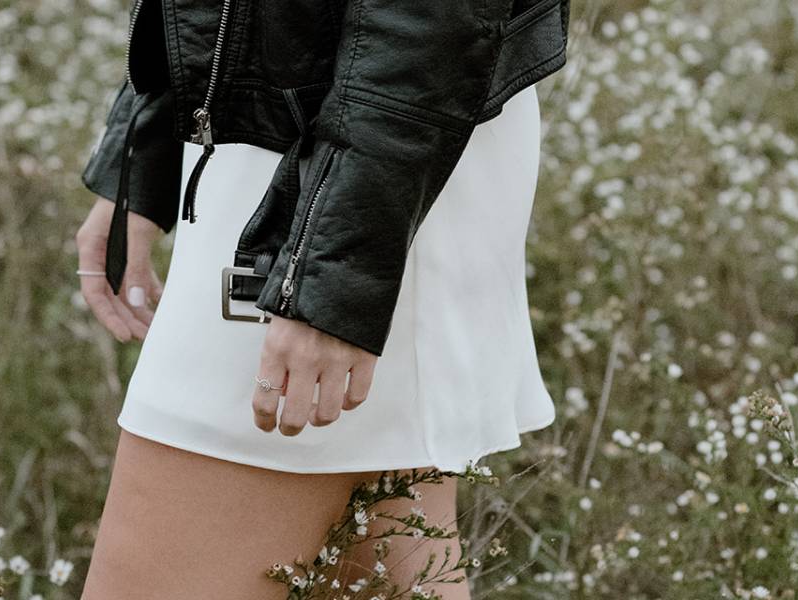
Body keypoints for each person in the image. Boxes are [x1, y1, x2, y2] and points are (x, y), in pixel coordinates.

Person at [74, 0, 571, 597]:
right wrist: (150, 140)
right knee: (378, 566)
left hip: (357, 159)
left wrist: (336, 271)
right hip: (320, 143)